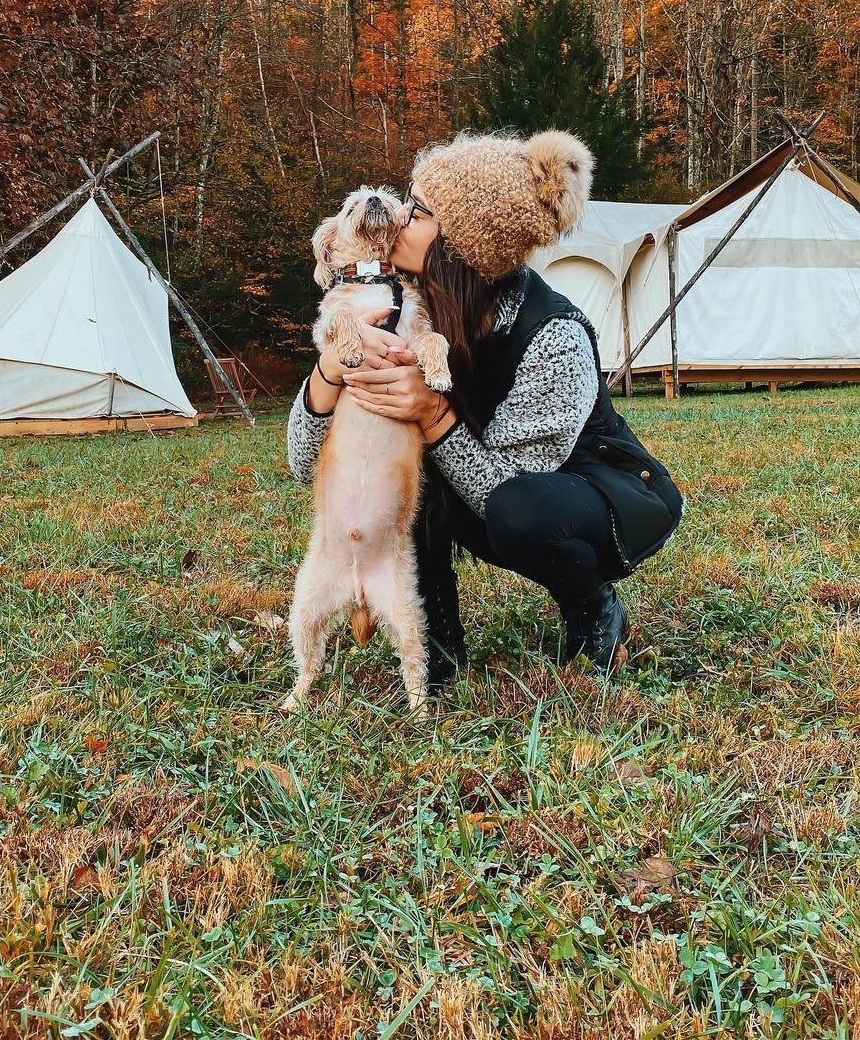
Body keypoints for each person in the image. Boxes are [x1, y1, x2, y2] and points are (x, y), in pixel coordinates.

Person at [287, 129, 683, 694]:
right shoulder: (407, 314)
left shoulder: (554, 336)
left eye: (418, 212)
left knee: (518, 509)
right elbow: (304, 463)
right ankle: (438, 644)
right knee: (409, 483)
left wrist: (431, 415)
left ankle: (594, 605)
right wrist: (329, 372)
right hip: (496, 483)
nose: (398, 217)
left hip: (592, 490)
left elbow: (512, 486)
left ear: (462, 245)